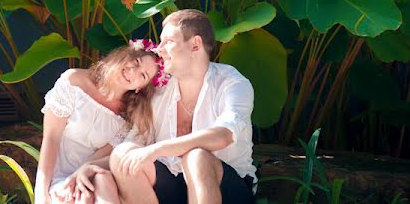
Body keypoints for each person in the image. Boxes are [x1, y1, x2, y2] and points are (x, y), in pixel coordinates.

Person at [109, 10, 256, 204]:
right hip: (174, 182)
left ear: (195, 45)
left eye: (168, 41)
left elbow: (223, 135)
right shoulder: (160, 90)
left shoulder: (232, 83)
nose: (159, 49)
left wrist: (156, 149)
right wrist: (88, 167)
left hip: (227, 188)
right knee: (123, 155)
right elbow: (135, 140)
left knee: (196, 157)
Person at [35, 42, 167, 204]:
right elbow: (51, 139)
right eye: (136, 62)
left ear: (141, 87)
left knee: (99, 182)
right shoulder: (74, 81)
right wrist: (41, 195)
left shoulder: (130, 114)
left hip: (94, 176)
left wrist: (77, 178)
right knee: (91, 190)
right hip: (59, 177)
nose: (132, 72)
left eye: (143, 75)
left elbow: (98, 161)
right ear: (127, 55)